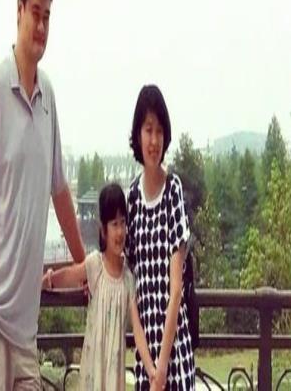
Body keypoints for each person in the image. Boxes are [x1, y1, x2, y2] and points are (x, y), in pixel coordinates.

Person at [0, 0, 86, 390]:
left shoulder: (48, 95)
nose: (42, 26)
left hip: (25, 326)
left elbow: (60, 190)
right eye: (35, 13)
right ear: (18, 10)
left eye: (48, 16)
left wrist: (85, 265)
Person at [42, 183, 155, 391]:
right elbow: (69, 275)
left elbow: (138, 330)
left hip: (114, 374)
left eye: (123, 222)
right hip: (93, 371)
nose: (120, 231)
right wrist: (47, 280)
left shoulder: (128, 278)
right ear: (103, 229)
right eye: (114, 224)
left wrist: (152, 370)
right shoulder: (96, 265)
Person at [127, 85, 196, 390]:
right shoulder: (131, 198)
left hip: (174, 353)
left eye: (159, 131)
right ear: (138, 135)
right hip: (145, 360)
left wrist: (163, 366)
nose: (154, 140)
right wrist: (150, 367)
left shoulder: (173, 191)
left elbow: (176, 289)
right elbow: (131, 291)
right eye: (148, 130)